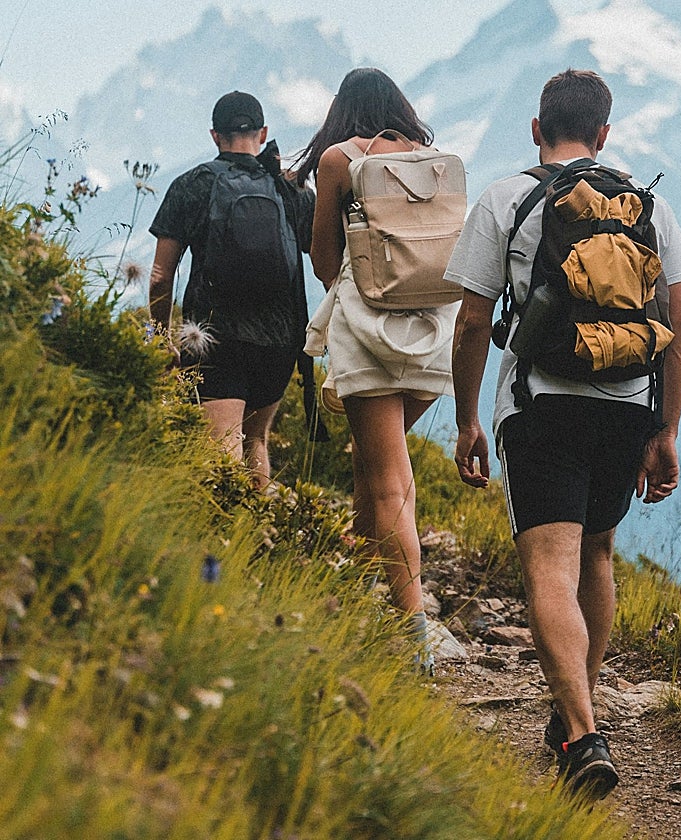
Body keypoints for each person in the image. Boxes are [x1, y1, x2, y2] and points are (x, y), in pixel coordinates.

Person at [447, 69, 681, 799]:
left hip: (543, 405)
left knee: (549, 566)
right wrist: (667, 430)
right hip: (627, 405)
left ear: (536, 130)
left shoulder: (508, 197)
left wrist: (468, 418)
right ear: (604, 135)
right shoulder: (649, 206)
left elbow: (471, 321)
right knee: (597, 550)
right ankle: (574, 718)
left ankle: (583, 728)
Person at [294, 68, 456, 662]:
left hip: (368, 330)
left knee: (386, 479)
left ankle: (414, 629)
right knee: (374, 463)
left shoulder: (338, 159)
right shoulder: (432, 160)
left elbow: (324, 259)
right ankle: (363, 575)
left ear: (342, 108)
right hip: (432, 329)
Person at [149, 90, 312, 489]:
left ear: (214, 135)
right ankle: (255, 541)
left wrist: (159, 334)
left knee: (221, 448)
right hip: (280, 340)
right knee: (255, 440)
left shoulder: (193, 185)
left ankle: (221, 543)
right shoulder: (291, 192)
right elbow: (326, 261)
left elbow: (159, 275)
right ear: (263, 133)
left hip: (215, 338)